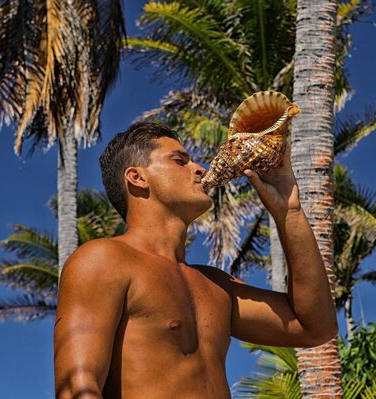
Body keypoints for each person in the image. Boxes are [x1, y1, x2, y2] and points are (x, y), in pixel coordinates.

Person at [54, 122, 338, 398]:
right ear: (137, 177)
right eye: (180, 161)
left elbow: (315, 328)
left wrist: (288, 212)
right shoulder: (104, 259)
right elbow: (79, 385)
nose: (199, 169)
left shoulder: (216, 284)